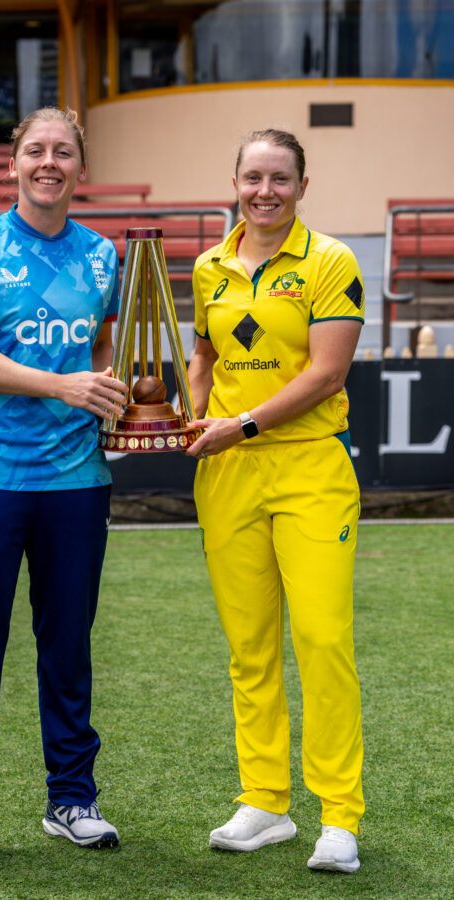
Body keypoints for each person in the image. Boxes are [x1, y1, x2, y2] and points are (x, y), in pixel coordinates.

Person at [0, 107, 128, 869]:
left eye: (64, 153)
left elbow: (106, 347)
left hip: (77, 479)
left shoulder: (107, 255)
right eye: (36, 151)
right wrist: (62, 385)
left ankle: (71, 798)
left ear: (82, 168)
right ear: (13, 163)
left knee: (68, 645)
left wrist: (118, 394)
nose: (49, 163)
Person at [185, 128, 365, 873]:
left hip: (309, 469)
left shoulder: (330, 261)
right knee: (249, 647)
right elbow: (204, 352)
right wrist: (188, 421)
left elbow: (327, 373)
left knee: (321, 641)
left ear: (302, 185)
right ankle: (265, 802)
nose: (265, 191)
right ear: (234, 182)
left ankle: (339, 817)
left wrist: (244, 424)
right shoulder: (207, 266)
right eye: (253, 177)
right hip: (226, 476)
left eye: (280, 179)